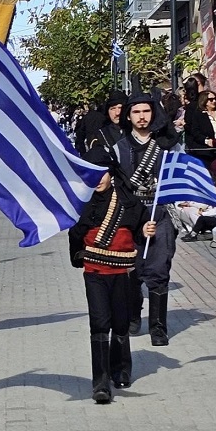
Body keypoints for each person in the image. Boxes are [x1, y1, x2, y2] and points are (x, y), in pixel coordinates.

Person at [69, 146, 154, 404]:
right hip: (94, 273)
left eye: (101, 174)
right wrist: (80, 256)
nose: (97, 180)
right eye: (90, 175)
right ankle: (101, 383)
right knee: (99, 324)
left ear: (110, 173)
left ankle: (121, 369)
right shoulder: (81, 204)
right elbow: (75, 239)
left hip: (123, 273)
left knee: (120, 323)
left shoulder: (129, 202)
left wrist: (146, 231)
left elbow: (139, 230)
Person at [110, 84, 179, 346]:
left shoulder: (167, 146)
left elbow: (178, 176)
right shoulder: (119, 148)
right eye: (136, 111)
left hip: (160, 212)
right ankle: (132, 316)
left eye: (146, 111)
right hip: (130, 216)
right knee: (131, 270)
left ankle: (158, 327)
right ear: (128, 116)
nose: (142, 116)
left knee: (159, 269)